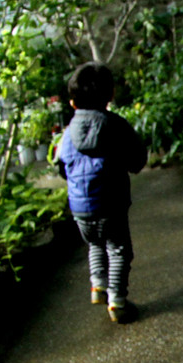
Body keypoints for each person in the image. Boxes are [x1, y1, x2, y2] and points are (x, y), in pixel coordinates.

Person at [56, 62, 147, 324]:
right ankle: (117, 302)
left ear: (73, 103)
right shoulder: (115, 125)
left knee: (95, 242)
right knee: (118, 249)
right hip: (111, 205)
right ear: (111, 96)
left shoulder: (67, 133)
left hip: (80, 208)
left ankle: (98, 284)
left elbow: (62, 167)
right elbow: (137, 159)